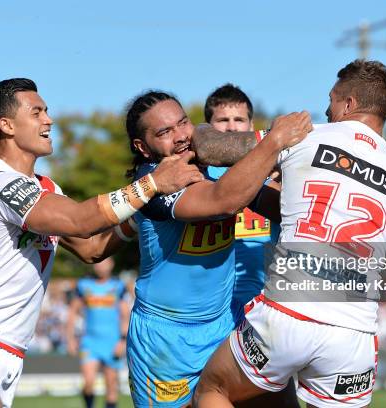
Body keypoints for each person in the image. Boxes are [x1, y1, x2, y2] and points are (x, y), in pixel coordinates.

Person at [192, 60, 386, 408]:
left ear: (348, 104)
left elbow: (211, 150)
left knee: (214, 391)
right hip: (352, 336)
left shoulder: (304, 137)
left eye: (331, 100)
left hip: (287, 315)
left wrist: (200, 128)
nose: (326, 109)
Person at [0, 78, 203, 408]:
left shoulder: (45, 187)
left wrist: (145, 211)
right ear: (6, 125)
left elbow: (92, 248)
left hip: (7, 351)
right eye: (37, 112)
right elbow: (79, 221)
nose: (49, 120)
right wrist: (152, 184)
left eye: (47, 111)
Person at [124, 90, 311, 407]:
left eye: (182, 123)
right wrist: (274, 141)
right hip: (166, 339)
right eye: (164, 132)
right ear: (142, 147)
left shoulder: (218, 170)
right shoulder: (152, 183)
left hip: (226, 323)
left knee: (278, 399)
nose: (181, 136)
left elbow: (282, 209)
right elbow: (222, 201)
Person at [204, 83, 272, 309]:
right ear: (208, 127)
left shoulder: (275, 170)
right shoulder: (197, 175)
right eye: (223, 120)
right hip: (211, 309)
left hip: (265, 306)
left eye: (239, 120)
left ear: (252, 125)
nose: (232, 127)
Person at [66, 257, 129, 408]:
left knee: (111, 386)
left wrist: (123, 340)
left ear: (111, 264)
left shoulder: (118, 286)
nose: (101, 266)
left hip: (112, 342)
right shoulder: (83, 285)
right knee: (88, 383)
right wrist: (70, 338)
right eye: (98, 263)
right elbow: (73, 312)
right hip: (90, 342)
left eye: (105, 263)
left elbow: (125, 315)